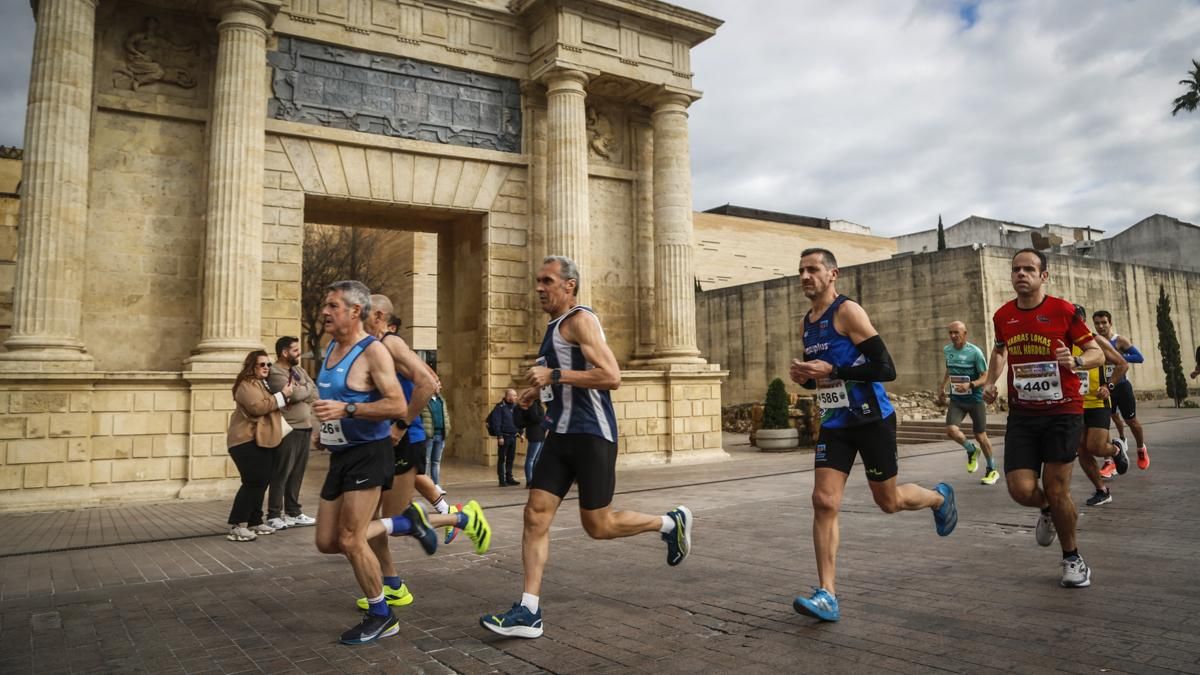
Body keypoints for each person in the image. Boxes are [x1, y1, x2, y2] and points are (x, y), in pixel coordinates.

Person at [479, 255, 693, 639]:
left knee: (598, 525)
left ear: (569, 286)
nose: (540, 288)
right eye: (538, 281)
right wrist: (535, 391)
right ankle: (529, 610)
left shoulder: (581, 319)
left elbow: (611, 376)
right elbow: (561, 379)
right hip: (559, 436)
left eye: (547, 280)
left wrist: (555, 373)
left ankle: (668, 523)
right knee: (535, 515)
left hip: (593, 435)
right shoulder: (554, 327)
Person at [789, 248, 956, 623]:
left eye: (812, 269)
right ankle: (827, 594)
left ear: (833, 274)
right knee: (823, 501)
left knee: (889, 501)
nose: (804, 276)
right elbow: (827, 378)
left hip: (871, 420)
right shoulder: (807, 322)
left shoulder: (848, 312)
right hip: (835, 423)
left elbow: (885, 369)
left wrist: (834, 368)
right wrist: (809, 376)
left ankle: (937, 498)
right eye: (800, 270)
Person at [312, 280, 436, 645]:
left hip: (370, 452)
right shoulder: (331, 347)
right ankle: (404, 521)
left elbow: (397, 405)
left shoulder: (375, 351)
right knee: (326, 541)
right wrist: (328, 429)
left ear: (355, 311)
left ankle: (382, 614)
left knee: (351, 539)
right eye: (325, 305)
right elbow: (334, 402)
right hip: (342, 454)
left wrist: (348, 409)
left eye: (333, 305)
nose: (325, 311)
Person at [359, 294, 491, 612]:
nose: (358, 317)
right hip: (386, 441)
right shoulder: (378, 347)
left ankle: (462, 518)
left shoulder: (390, 343)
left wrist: (401, 425)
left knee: (391, 519)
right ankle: (392, 586)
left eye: (363, 312)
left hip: (404, 440)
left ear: (378, 316)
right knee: (371, 518)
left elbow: (429, 383)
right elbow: (430, 379)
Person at [983, 249, 1103, 588]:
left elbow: (1095, 352)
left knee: (1056, 485)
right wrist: (991, 382)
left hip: (1063, 411)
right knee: (1020, 490)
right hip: (1023, 414)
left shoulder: (1063, 311)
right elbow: (999, 350)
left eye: (1029, 269)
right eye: (1016, 269)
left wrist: (1075, 362)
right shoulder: (1003, 316)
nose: (1022, 274)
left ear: (1043, 276)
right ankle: (1049, 510)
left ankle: (1072, 558)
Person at [225, 350, 291, 542]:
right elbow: (257, 407)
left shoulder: (263, 384)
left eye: (268, 364)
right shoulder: (245, 385)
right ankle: (238, 525)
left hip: (261, 439)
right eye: (261, 364)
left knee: (262, 481)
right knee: (253, 481)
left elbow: (269, 405)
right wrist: (281, 396)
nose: (266, 368)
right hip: (244, 440)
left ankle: (255, 520)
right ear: (251, 366)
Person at [1069, 305, 1131, 507]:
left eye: (1076, 320)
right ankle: (1102, 490)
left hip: (1097, 402)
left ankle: (1115, 450)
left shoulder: (1095, 341)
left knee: (1094, 446)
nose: (1072, 324)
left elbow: (1122, 363)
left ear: (1082, 321)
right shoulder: (1062, 343)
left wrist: (1109, 385)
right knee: (1082, 449)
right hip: (1075, 404)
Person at [265, 336, 318, 530]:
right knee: (282, 472)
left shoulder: (298, 370)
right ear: (285, 353)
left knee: (297, 473)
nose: (299, 354)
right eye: (295, 350)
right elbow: (294, 395)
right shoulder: (275, 372)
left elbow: (314, 392)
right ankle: (273, 514)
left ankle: (293, 512)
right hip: (288, 429)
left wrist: (303, 389)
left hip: (305, 427)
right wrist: (304, 389)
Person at [937, 321, 998, 484]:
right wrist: (942, 387)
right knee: (951, 430)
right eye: (950, 333)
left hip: (975, 399)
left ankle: (992, 469)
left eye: (956, 332)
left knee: (980, 435)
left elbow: (985, 376)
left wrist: (970, 385)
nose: (953, 336)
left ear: (965, 333)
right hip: (957, 399)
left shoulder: (975, 353)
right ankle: (971, 450)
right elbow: (949, 368)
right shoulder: (947, 350)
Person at [1091, 311, 1149, 471]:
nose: (1101, 326)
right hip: (1105, 388)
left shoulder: (1119, 340)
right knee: (1104, 424)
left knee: (1132, 421)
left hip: (1122, 386)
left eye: (1104, 322)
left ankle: (1140, 449)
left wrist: (1116, 356)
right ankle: (1109, 461)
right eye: (1097, 323)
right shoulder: (1094, 342)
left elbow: (1139, 357)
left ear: (1110, 323)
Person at [486, 389, 521, 487]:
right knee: (502, 459)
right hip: (504, 437)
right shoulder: (500, 407)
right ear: (508, 397)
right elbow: (496, 423)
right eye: (514, 396)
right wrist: (499, 436)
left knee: (510, 458)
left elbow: (518, 420)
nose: (516, 397)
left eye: (516, 395)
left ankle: (509, 478)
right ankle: (502, 480)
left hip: (513, 436)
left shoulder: (515, 407)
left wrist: (520, 432)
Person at [420, 379, 450, 487]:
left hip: (440, 435)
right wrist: (424, 432)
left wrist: (447, 428)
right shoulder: (424, 401)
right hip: (429, 435)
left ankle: (436, 485)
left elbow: (445, 416)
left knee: (436, 461)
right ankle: (426, 486)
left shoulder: (441, 400)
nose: (440, 387)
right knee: (426, 461)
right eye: (438, 385)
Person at [516, 397, 546, 486]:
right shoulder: (532, 404)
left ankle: (535, 479)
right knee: (531, 459)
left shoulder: (539, 404)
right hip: (534, 434)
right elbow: (535, 418)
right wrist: (544, 419)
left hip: (541, 434)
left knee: (537, 459)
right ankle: (529, 481)